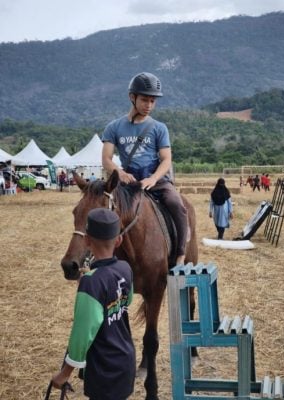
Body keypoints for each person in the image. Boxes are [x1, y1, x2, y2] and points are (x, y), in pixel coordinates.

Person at [101, 72, 187, 265]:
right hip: (127, 183)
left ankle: (180, 253)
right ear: (132, 97)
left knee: (177, 204)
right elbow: (106, 159)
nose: (149, 105)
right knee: (103, 208)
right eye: (144, 100)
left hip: (154, 180)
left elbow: (166, 159)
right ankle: (101, 255)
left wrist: (154, 179)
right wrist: (120, 173)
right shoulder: (113, 127)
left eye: (152, 101)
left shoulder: (159, 128)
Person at [51, 208, 135, 400]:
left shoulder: (91, 283)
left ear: (87, 241)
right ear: (119, 240)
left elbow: (83, 333)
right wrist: (89, 282)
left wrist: (64, 374)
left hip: (104, 367)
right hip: (125, 359)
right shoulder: (126, 268)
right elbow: (126, 300)